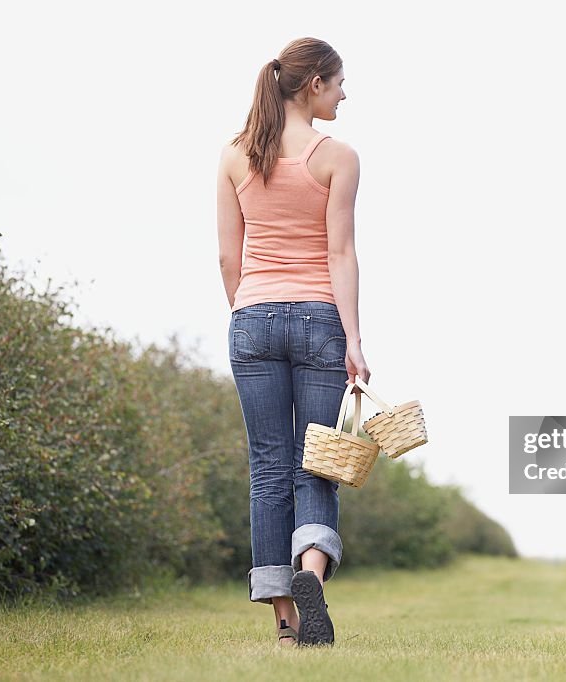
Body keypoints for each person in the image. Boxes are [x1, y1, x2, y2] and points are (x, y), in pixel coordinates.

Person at [216, 37, 369, 648]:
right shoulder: (337, 157)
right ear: (313, 85)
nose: (343, 94)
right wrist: (354, 341)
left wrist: (250, 312)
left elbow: (229, 256)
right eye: (337, 84)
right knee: (318, 465)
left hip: (251, 316)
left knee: (268, 471)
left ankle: (285, 619)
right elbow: (341, 253)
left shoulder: (234, 155)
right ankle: (311, 573)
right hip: (319, 320)